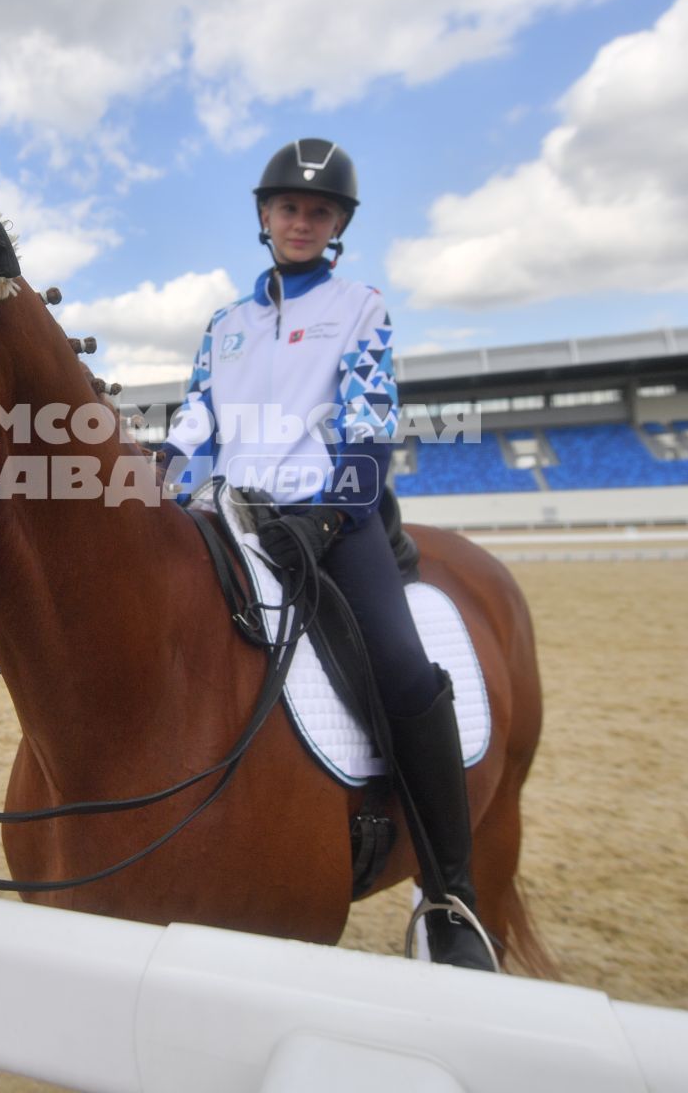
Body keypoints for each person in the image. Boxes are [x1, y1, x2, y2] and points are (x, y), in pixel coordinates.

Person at [161, 138, 497, 971]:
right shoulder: (225, 325)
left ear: (338, 223)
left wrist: (328, 516)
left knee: (402, 666)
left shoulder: (360, 306)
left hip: (334, 523)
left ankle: (452, 892)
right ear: (264, 218)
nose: (301, 221)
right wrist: (164, 478)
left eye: (319, 211)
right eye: (288, 208)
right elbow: (200, 416)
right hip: (234, 517)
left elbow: (368, 418)